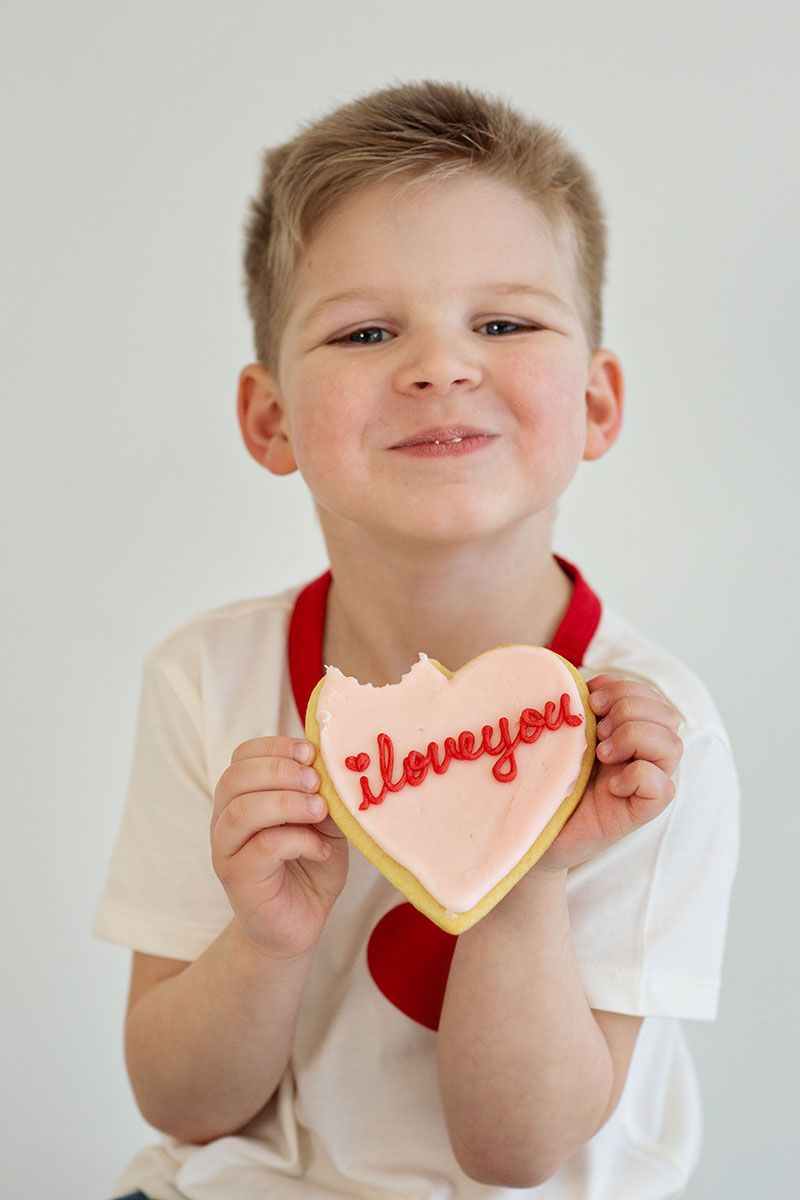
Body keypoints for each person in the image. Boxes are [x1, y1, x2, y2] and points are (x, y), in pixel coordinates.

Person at [95, 80, 738, 1200]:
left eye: (503, 322)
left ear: (595, 404)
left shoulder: (647, 736)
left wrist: (527, 867)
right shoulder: (209, 680)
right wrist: (263, 942)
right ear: (270, 419)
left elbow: (515, 1150)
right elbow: (182, 1105)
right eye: (364, 330)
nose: (439, 365)